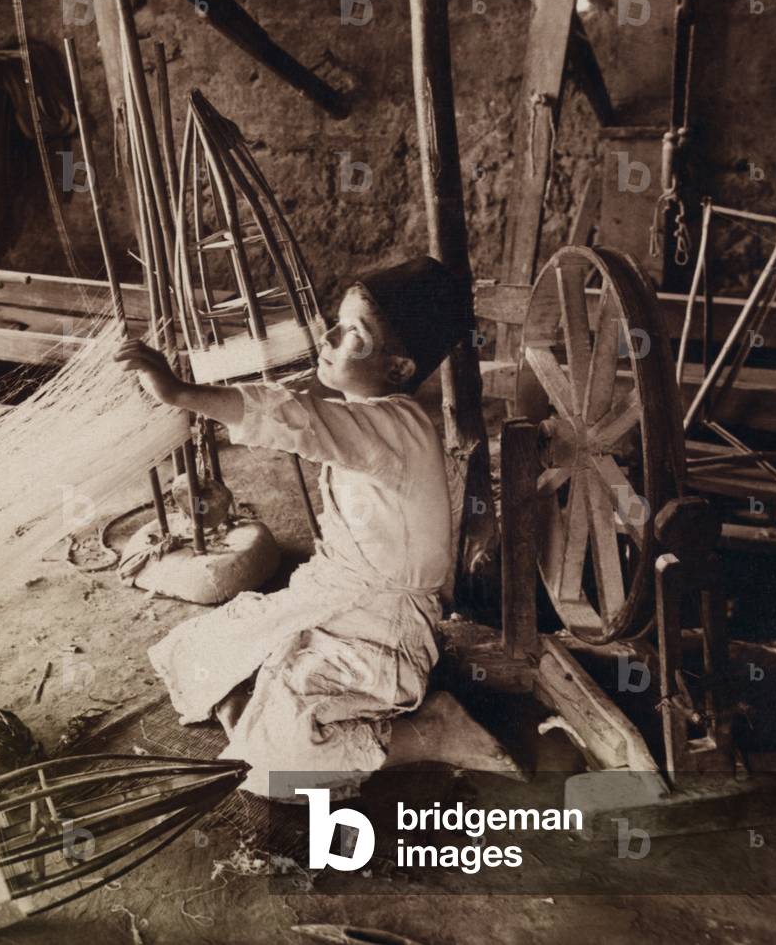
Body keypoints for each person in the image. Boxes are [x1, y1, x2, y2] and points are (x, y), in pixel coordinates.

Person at [114, 256, 517, 799]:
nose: (327, 336)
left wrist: (183, 394)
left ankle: (432, 732)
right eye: (336, 320)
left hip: (383, 626)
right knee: (192, 651)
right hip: (335, 592)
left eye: (353, 334)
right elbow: (309, 420)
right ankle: (269, 701)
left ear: (398, 368)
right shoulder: (370, 416)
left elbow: (295, 418)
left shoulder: (391, 427)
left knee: (275, 767)